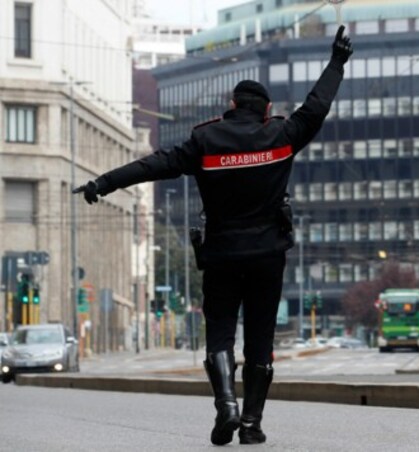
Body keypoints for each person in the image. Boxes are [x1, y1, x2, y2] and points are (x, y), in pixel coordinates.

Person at [74, 26, 353, 446]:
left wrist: (102, 184)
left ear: (231, 105)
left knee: (220, 331)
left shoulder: (204, 141)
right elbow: (316, 107)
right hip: (267, 255)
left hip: (221, 254)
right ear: (266, 109)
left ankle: (226, 405)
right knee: (260, 338)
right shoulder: (281, 136)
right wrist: (336, 62)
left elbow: (151, 166)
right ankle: (252, 424)